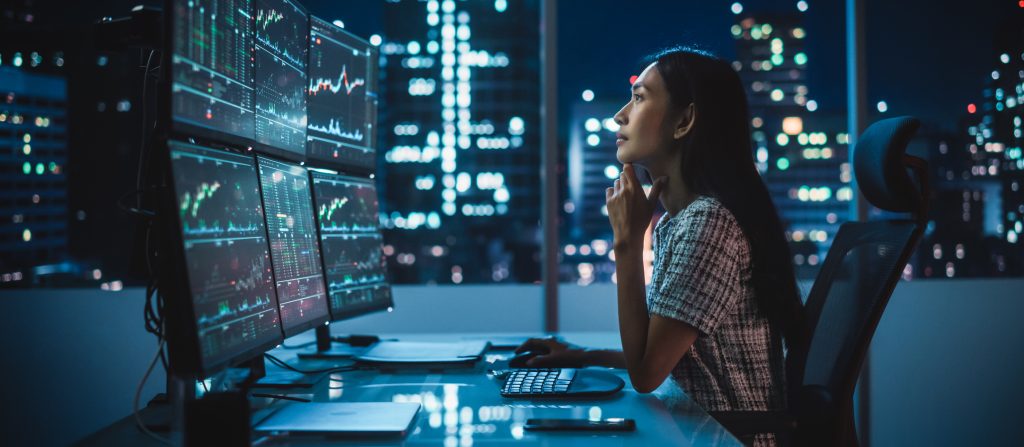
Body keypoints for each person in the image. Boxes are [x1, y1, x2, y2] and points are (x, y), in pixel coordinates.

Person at [516, 46, 804, 444]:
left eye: (639, 98)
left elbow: (647, 373)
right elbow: (669, 357)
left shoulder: (710, 223)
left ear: (684, 120)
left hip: (726, 438)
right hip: (700, 431)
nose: (620, 115)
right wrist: (581, 356)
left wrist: (628, 244)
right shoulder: (681, 222)